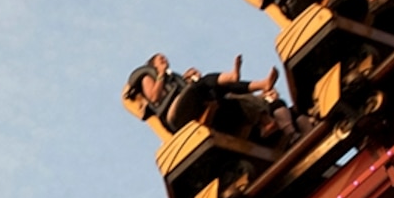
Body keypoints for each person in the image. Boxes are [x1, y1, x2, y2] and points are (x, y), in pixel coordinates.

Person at [122, 52, 297, 151]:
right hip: (175, 116)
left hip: (189, 107)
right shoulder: (148, 76)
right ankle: (233, 76)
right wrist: (160, 74)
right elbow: (154, 97)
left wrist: (186, 80)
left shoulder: (172, 77)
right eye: (160, 59)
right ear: (152, 64)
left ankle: (261, 87)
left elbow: (183, 91)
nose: (164, 60)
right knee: (205, 82)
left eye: (165, 58)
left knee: (221, 90)